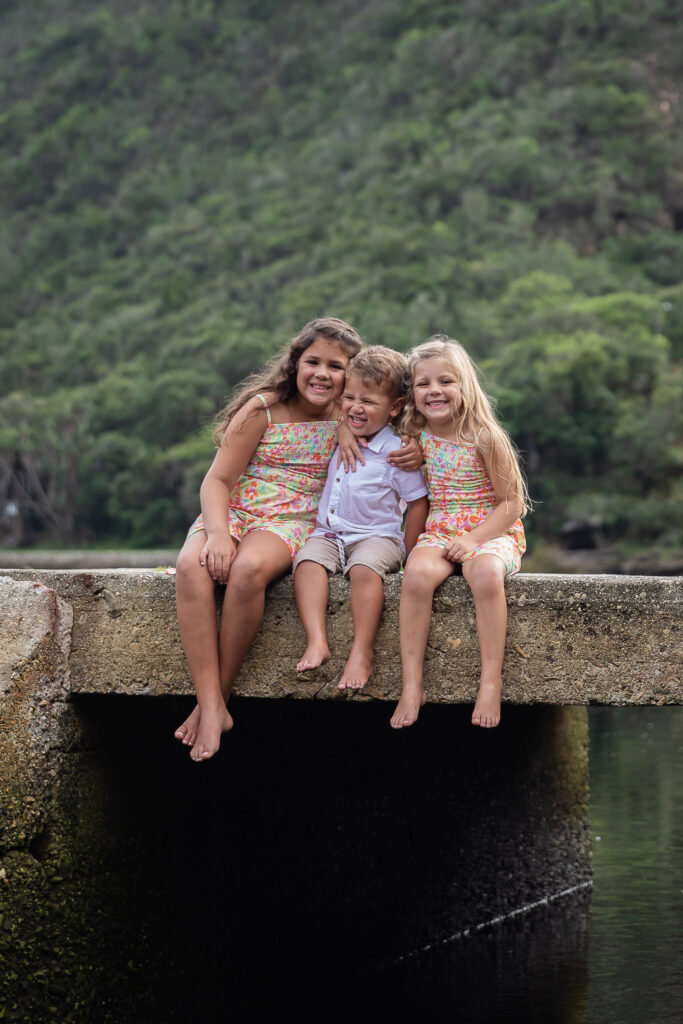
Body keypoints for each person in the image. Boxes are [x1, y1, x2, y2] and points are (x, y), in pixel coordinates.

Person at [173, 317, 364, 761]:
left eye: (335, 367)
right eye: (312, 361)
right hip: (234, 511)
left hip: (292, 521)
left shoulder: (350, 418)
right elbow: (217, 481)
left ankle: (213, 703)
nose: (322, 373)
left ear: (350, 376)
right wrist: (218, 534)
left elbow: (403, 429)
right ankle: (212, 705)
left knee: (249, 569)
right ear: (295, 363)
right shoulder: (262, 409)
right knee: (190, 566)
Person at [390, 336, 529, 731]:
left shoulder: (486, 437)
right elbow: (361, 416)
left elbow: (511, 503)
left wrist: (473, 540)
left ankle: (490, 681)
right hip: (440, 527)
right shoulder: (415, 436)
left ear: (465, 385)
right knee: (415, 576)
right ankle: (412, 684)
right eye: (423, 384)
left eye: (445, 381)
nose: (434, 391)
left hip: (490, 530)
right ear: (413, 392)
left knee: (483, 573)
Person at [294, 347, 429, 690]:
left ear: (394, 406)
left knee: (363, 570)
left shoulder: (395, 452)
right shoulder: (340, 434)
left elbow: (417, 503)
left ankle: (361, 650)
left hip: (378, 537)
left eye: (368, 402)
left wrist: (410, 554)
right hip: (330, 533)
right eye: (349, 398)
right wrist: (343, 424)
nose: (355, 407)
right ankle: (317, 640)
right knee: (306, 562)